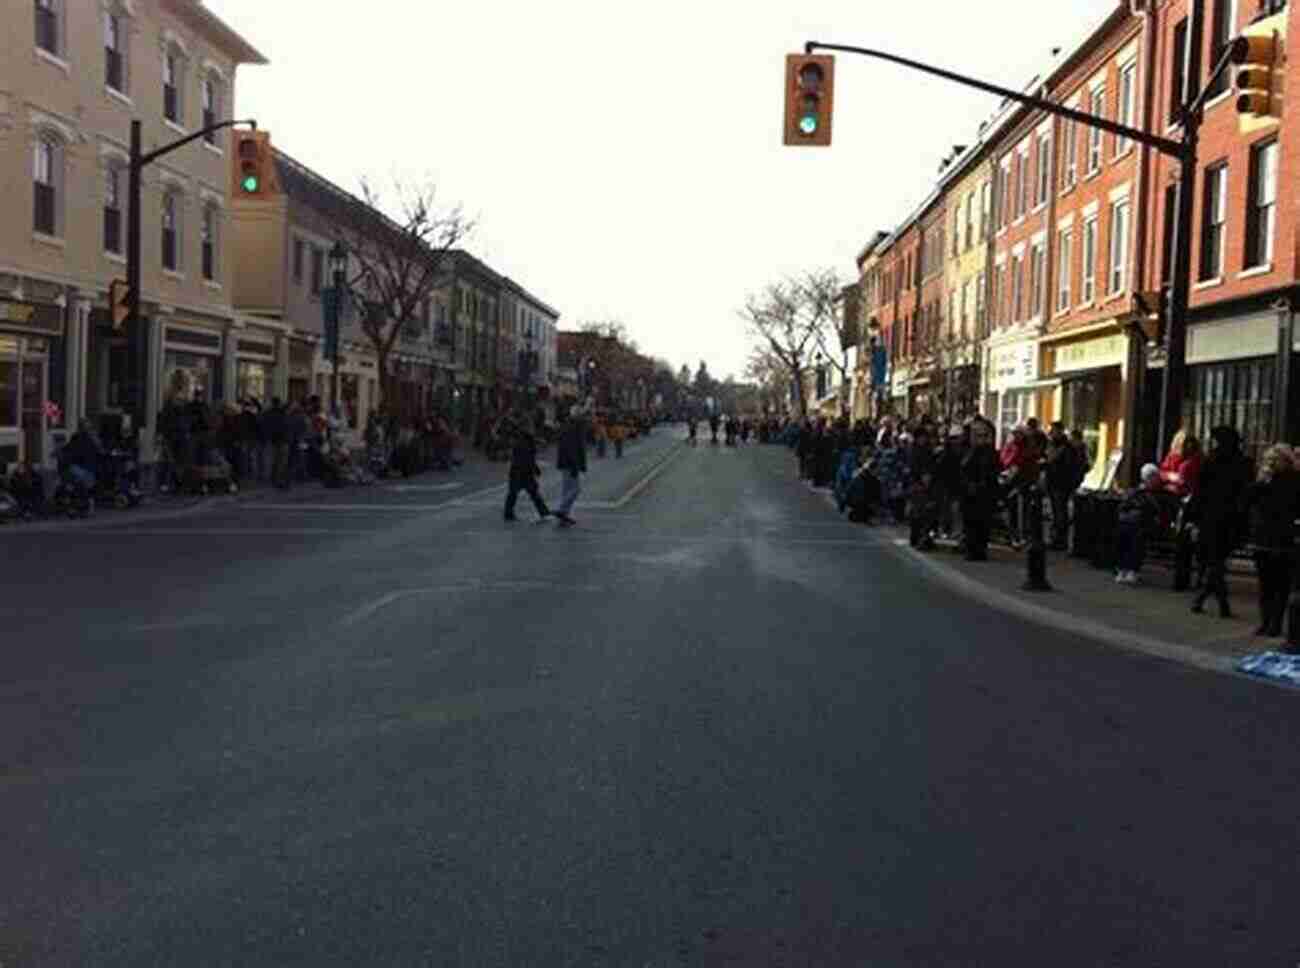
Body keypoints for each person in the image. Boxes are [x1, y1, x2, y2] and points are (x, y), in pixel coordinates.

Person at [1190, 426, 1253, 618]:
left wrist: (1194, 518)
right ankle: (1211, 602)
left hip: (1213, 517)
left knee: (1214, 561)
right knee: (1217, 561)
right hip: (1233, 519)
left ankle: (1209, 601)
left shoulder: (1211, 461)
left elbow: (1200, 492)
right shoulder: (1244, 463)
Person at [1242, 444, 1300, 637]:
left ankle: (1275, 623)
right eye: (1269, 460)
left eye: (1275, 460)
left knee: (1280, 584)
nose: (1272, 464)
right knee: (1265, 583)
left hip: (1282, 538)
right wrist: (1261, 482)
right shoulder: (1263, 482)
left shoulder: (1292, 481)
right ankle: (1265, 621)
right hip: (1262, 537)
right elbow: (1246, 500)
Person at [1113, 463, 1165, 585]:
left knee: (1136, 536)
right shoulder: (1136, 492)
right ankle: (1124, 569)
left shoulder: (1155, 494)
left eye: (1155, 477)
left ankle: (1130, 569)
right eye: (1152, 477)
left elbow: (1157, 512)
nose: (1155, 480)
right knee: (1126, 535)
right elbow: (1123, 507)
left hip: (1143, 524)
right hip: (1132, 523)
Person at [960, 417, 1000, 561]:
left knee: (983, 524)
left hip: (984, 494)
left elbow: (994, 471)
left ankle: (979, 550)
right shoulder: (966, 450)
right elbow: (961, 470)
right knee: (970, 523)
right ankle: (971, 549)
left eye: (984, 435)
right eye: (977, 435)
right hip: (969, 494)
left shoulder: (990, 452)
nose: (980, 438)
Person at [503, 417, 551, 522]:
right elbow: (526, 457)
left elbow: (529, 456)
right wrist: (534, 468)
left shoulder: (526, 438)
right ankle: (508, 513)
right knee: (519, 493)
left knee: (526, 493)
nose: (532, 428)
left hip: (521, 470)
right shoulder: (523, 440)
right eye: (530, 426)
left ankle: (543, 512)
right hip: (521, 471)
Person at [1044, 421, 1080, 550]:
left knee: (1060, 513)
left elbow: (1068, 467)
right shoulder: (1054, 445)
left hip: (1061, 484)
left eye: (1053, 431)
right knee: (1056, 512)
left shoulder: (1066, 447)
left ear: (1060, 431)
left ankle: (1060, 540)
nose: (1051, 434)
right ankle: (1056, 539)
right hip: (1054, 482)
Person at [554, 405, 588, 527]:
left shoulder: (569, 425)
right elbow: (572, 448)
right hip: (570, 463)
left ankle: (564, 517)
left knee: (566, 490)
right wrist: (576, 465)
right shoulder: (573, 428)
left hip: (566, 462)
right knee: (575, 489)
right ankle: (561, 510)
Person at [1159, 429, 1202, 498]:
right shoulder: (1172, 456)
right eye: (1186, 442)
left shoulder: (1195, 459)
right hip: (1169, 490)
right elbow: (1162, 472)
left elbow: (1189, 481)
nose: (1189, 445)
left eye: (1191, 441)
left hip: (1186, 494)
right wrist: (1170, 476)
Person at [60, 419, 103, 490]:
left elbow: (99, 450)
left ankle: (70, 486)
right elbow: (68, 449)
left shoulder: (91, 438)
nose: (87, 430)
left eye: (88, 428)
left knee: (68, 470)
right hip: (84, 469)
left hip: (87, 470)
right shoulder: (78, 437)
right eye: (84, 428)